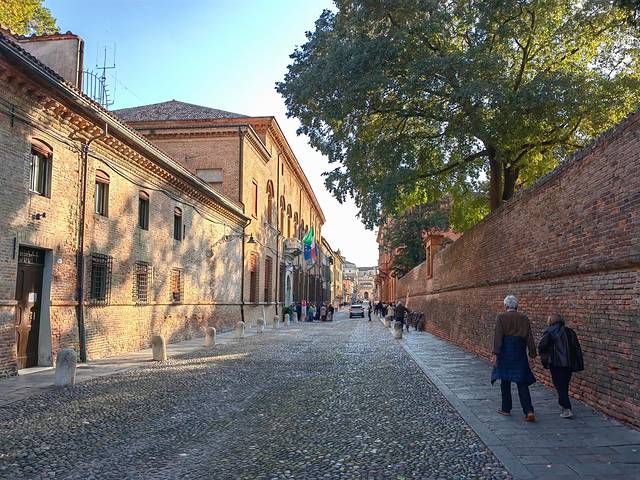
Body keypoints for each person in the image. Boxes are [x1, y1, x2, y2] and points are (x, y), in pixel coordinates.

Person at [491, 295, 537, 421]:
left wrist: (495, 354)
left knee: (505, 381)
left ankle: (506, 409)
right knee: (522, 382)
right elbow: (529, 337)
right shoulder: (524, 318)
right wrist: (532, 354)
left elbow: (498, 337)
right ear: (517, 306)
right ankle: (528, 411)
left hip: (505, 352)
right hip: (519, 352)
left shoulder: (501, 317)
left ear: (505, 306)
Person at [538, 314, 584, 419]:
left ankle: (567, 408)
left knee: (559, 385)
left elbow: (542, 345)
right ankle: (563, 404)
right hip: (569, 363)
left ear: (551, 321)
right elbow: (576, 348)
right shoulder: (570, 332)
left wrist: (544, 356)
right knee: (564, 385)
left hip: (556, 363)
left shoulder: (550, 331)